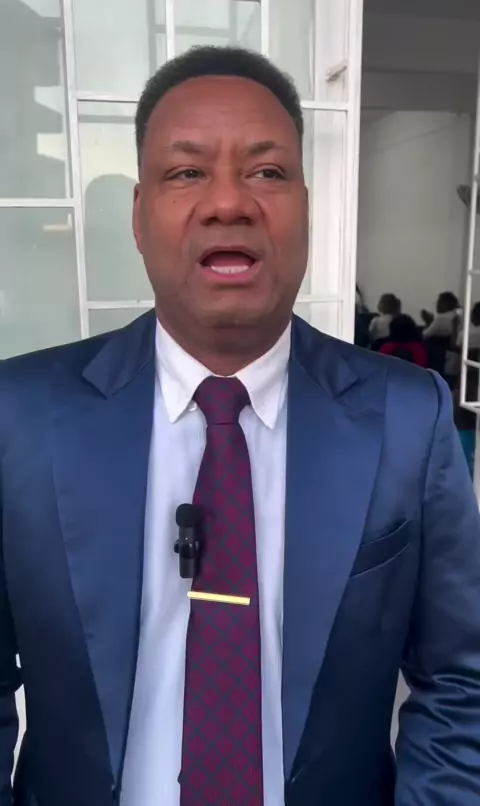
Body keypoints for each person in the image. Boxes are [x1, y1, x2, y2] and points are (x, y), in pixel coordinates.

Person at [1, 47, 480, 806]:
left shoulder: (406, 417)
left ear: (307, 207)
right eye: (187, 171)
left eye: (267, 171)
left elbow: (462, 678)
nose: (229, 203)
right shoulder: (20, 416)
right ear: (138, 215)